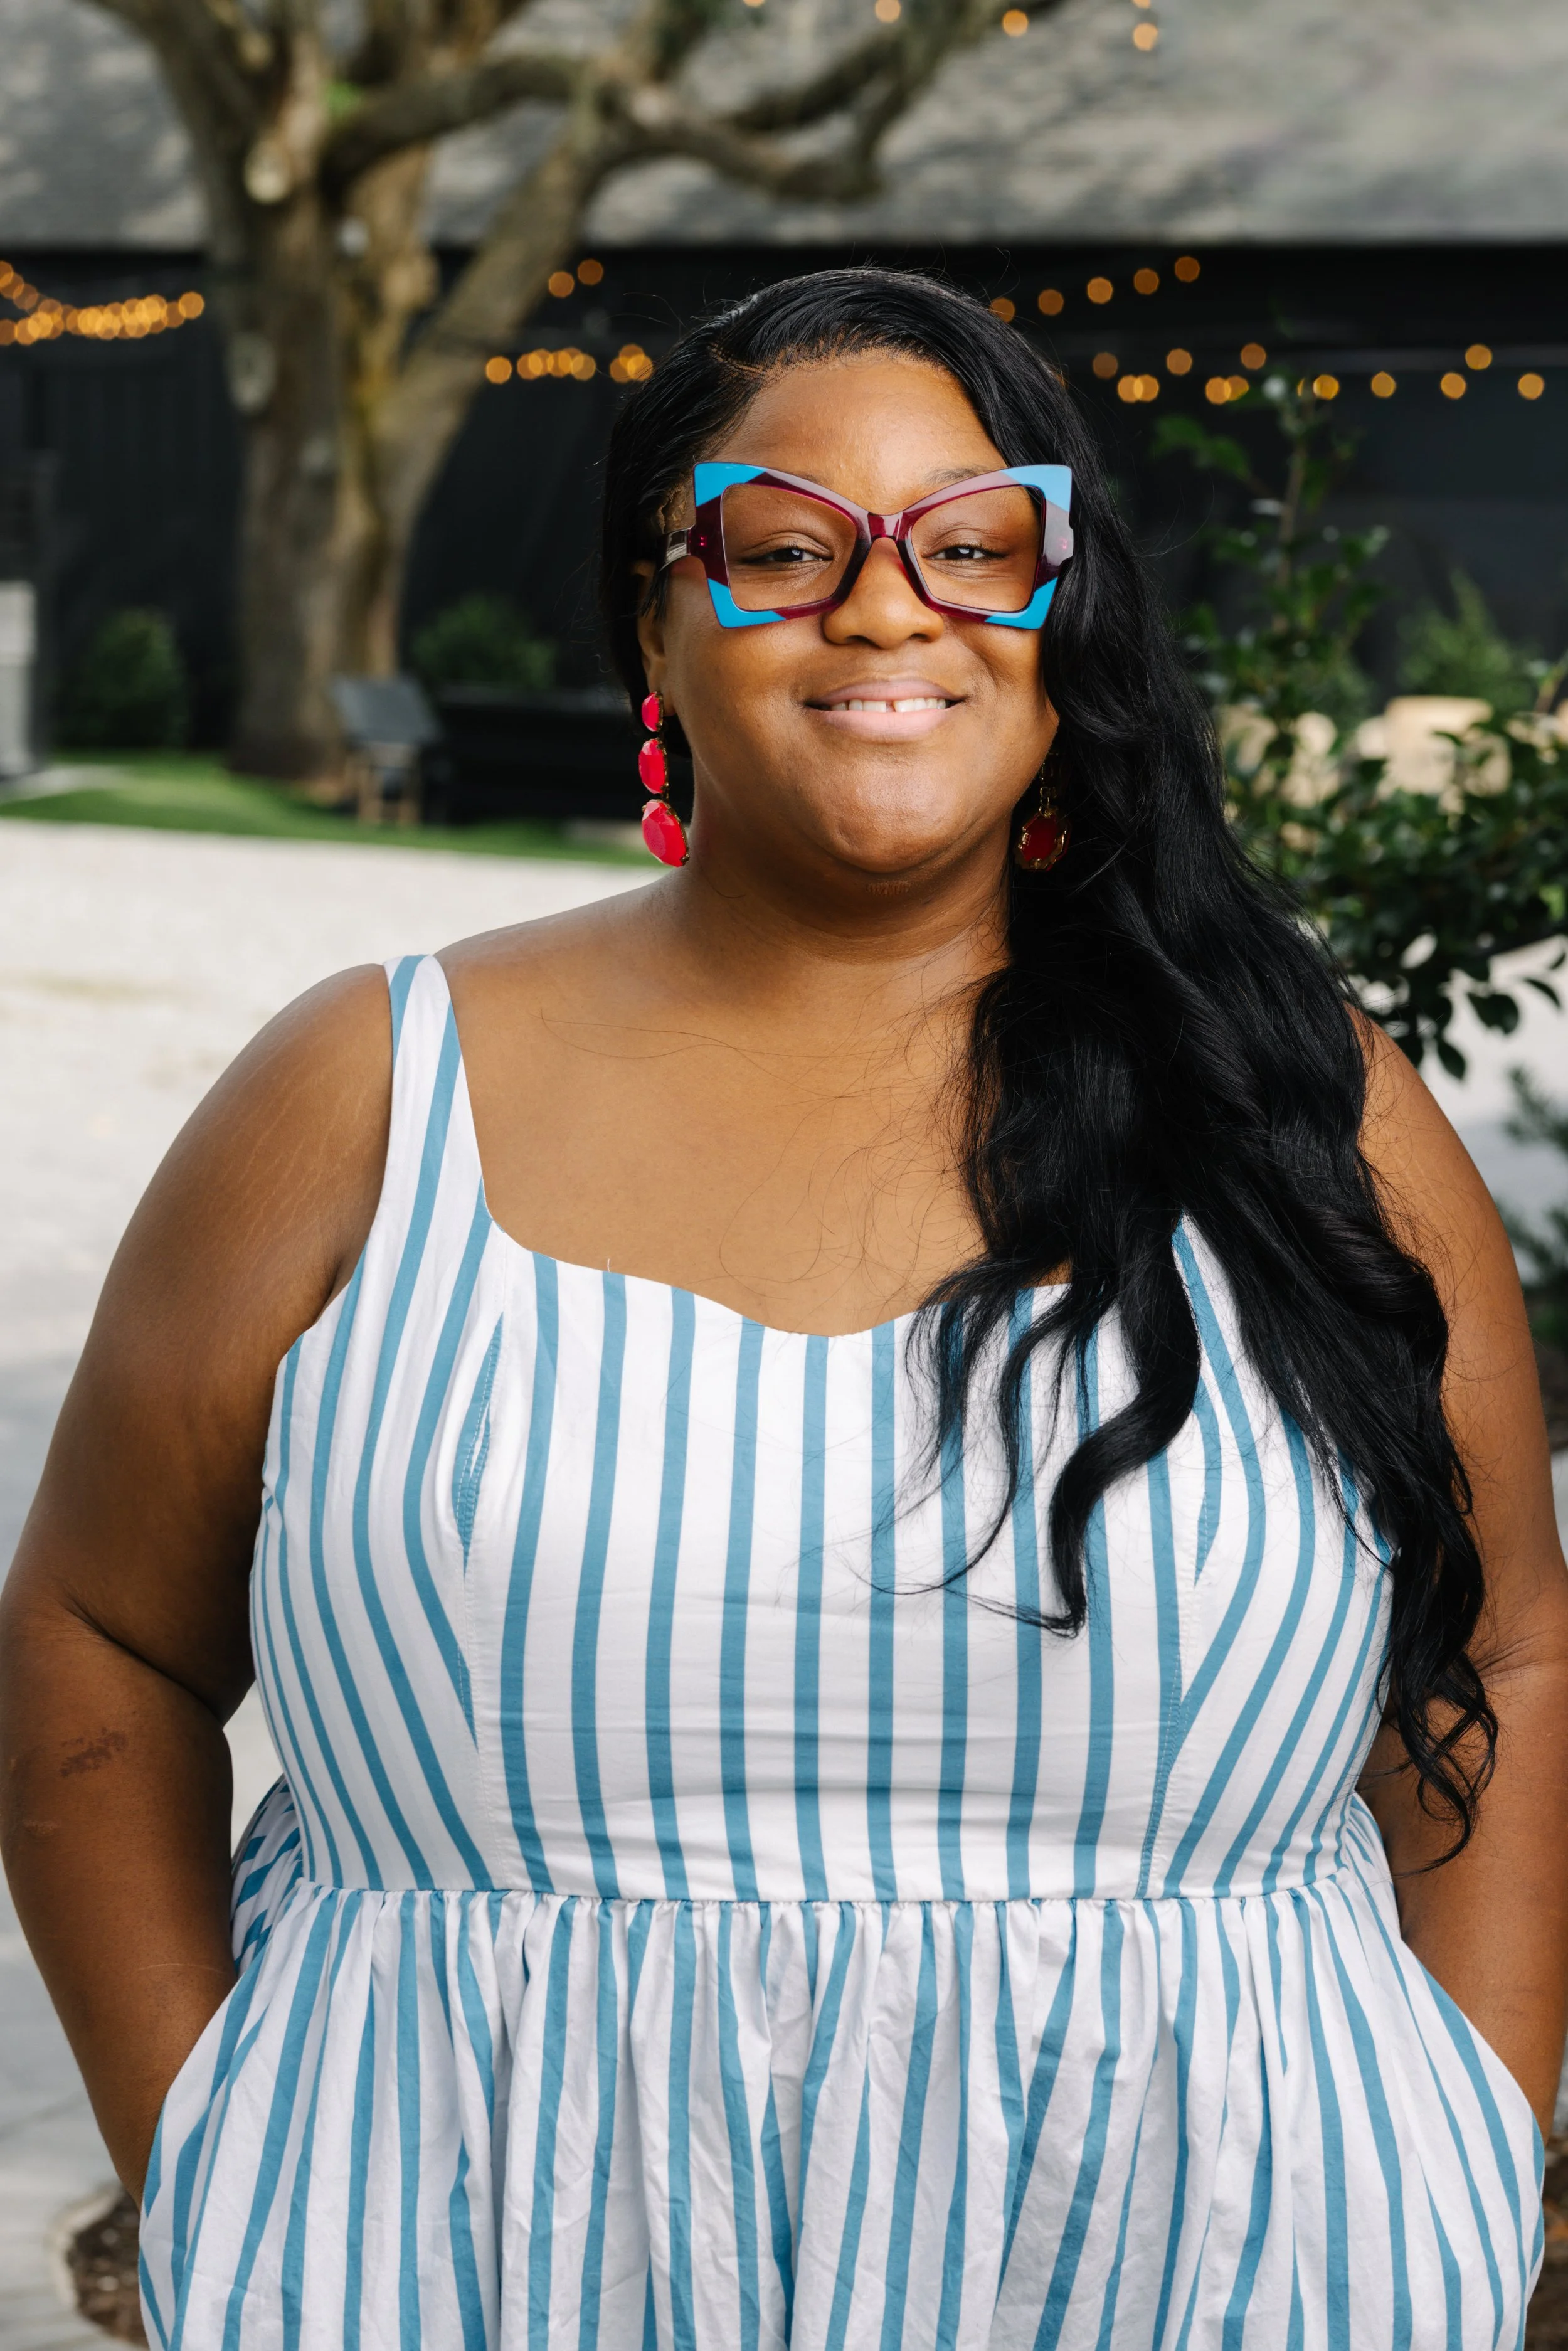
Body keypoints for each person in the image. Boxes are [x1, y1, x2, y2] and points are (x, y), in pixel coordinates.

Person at [1, 270, 1564, 2351]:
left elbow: (1510, 1648)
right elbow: (94, 1628)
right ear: (652, 614)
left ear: (1054, 605)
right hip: (454, 2272)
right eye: (780, 542)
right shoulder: (365, 1094)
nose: (885, 605)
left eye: (969, 537)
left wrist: (1466, 2137)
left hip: (1226, 2274)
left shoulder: (1299, 1107)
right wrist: (212, 2140)